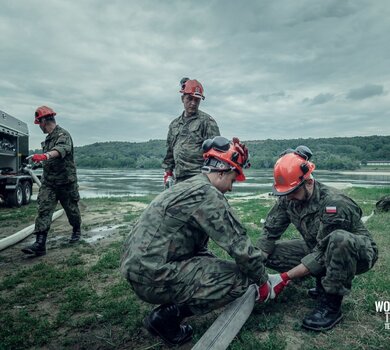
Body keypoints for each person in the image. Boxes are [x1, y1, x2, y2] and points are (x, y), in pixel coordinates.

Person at [121, 136, 289, 346]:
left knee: (214, 263)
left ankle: (172, 304)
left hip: (138, 268)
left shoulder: (189, 185)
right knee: (242, 278)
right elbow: (241, 248)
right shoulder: (207, 194)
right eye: (232, 179)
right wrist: (263, 281)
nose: (231, 188)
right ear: (221, 172)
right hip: (150, 277)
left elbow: (196, 247)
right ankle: (167, 317)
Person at [258, 146, 378, 331]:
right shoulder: (289, 196)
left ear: (308, 182)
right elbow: (270, 232)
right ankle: (321, 283)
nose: (289, 197)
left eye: (292, 192)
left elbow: (325, 251)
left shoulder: (334, 203)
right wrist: (255, 266)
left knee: (339, 240)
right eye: (285, 193)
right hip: (317, 247)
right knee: (271, 253)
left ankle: (331, 305)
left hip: (355, 253)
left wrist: (283, 278)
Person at [22, 106, 82, 257]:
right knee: (44, 210)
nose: (39, 127)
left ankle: (76, 230)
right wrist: (35, 163)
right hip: (50, 183)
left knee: (72, 211)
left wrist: (44, 156)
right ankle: (40, 244)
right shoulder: (48, 139)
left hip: (66, 183)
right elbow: (48, 160)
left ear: (44, 120)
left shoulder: (63, 135)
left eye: (39, 123)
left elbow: (60, 150)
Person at [162, 78, 220, 187]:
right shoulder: (174, 124)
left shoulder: (207, 122)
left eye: (196, 100)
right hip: (179, 179)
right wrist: (168, 173)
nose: (193, 103)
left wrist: (212, 179)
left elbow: (216, 154)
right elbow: (170, 153)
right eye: (189, 98)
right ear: (182, 98)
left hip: (200, 178)